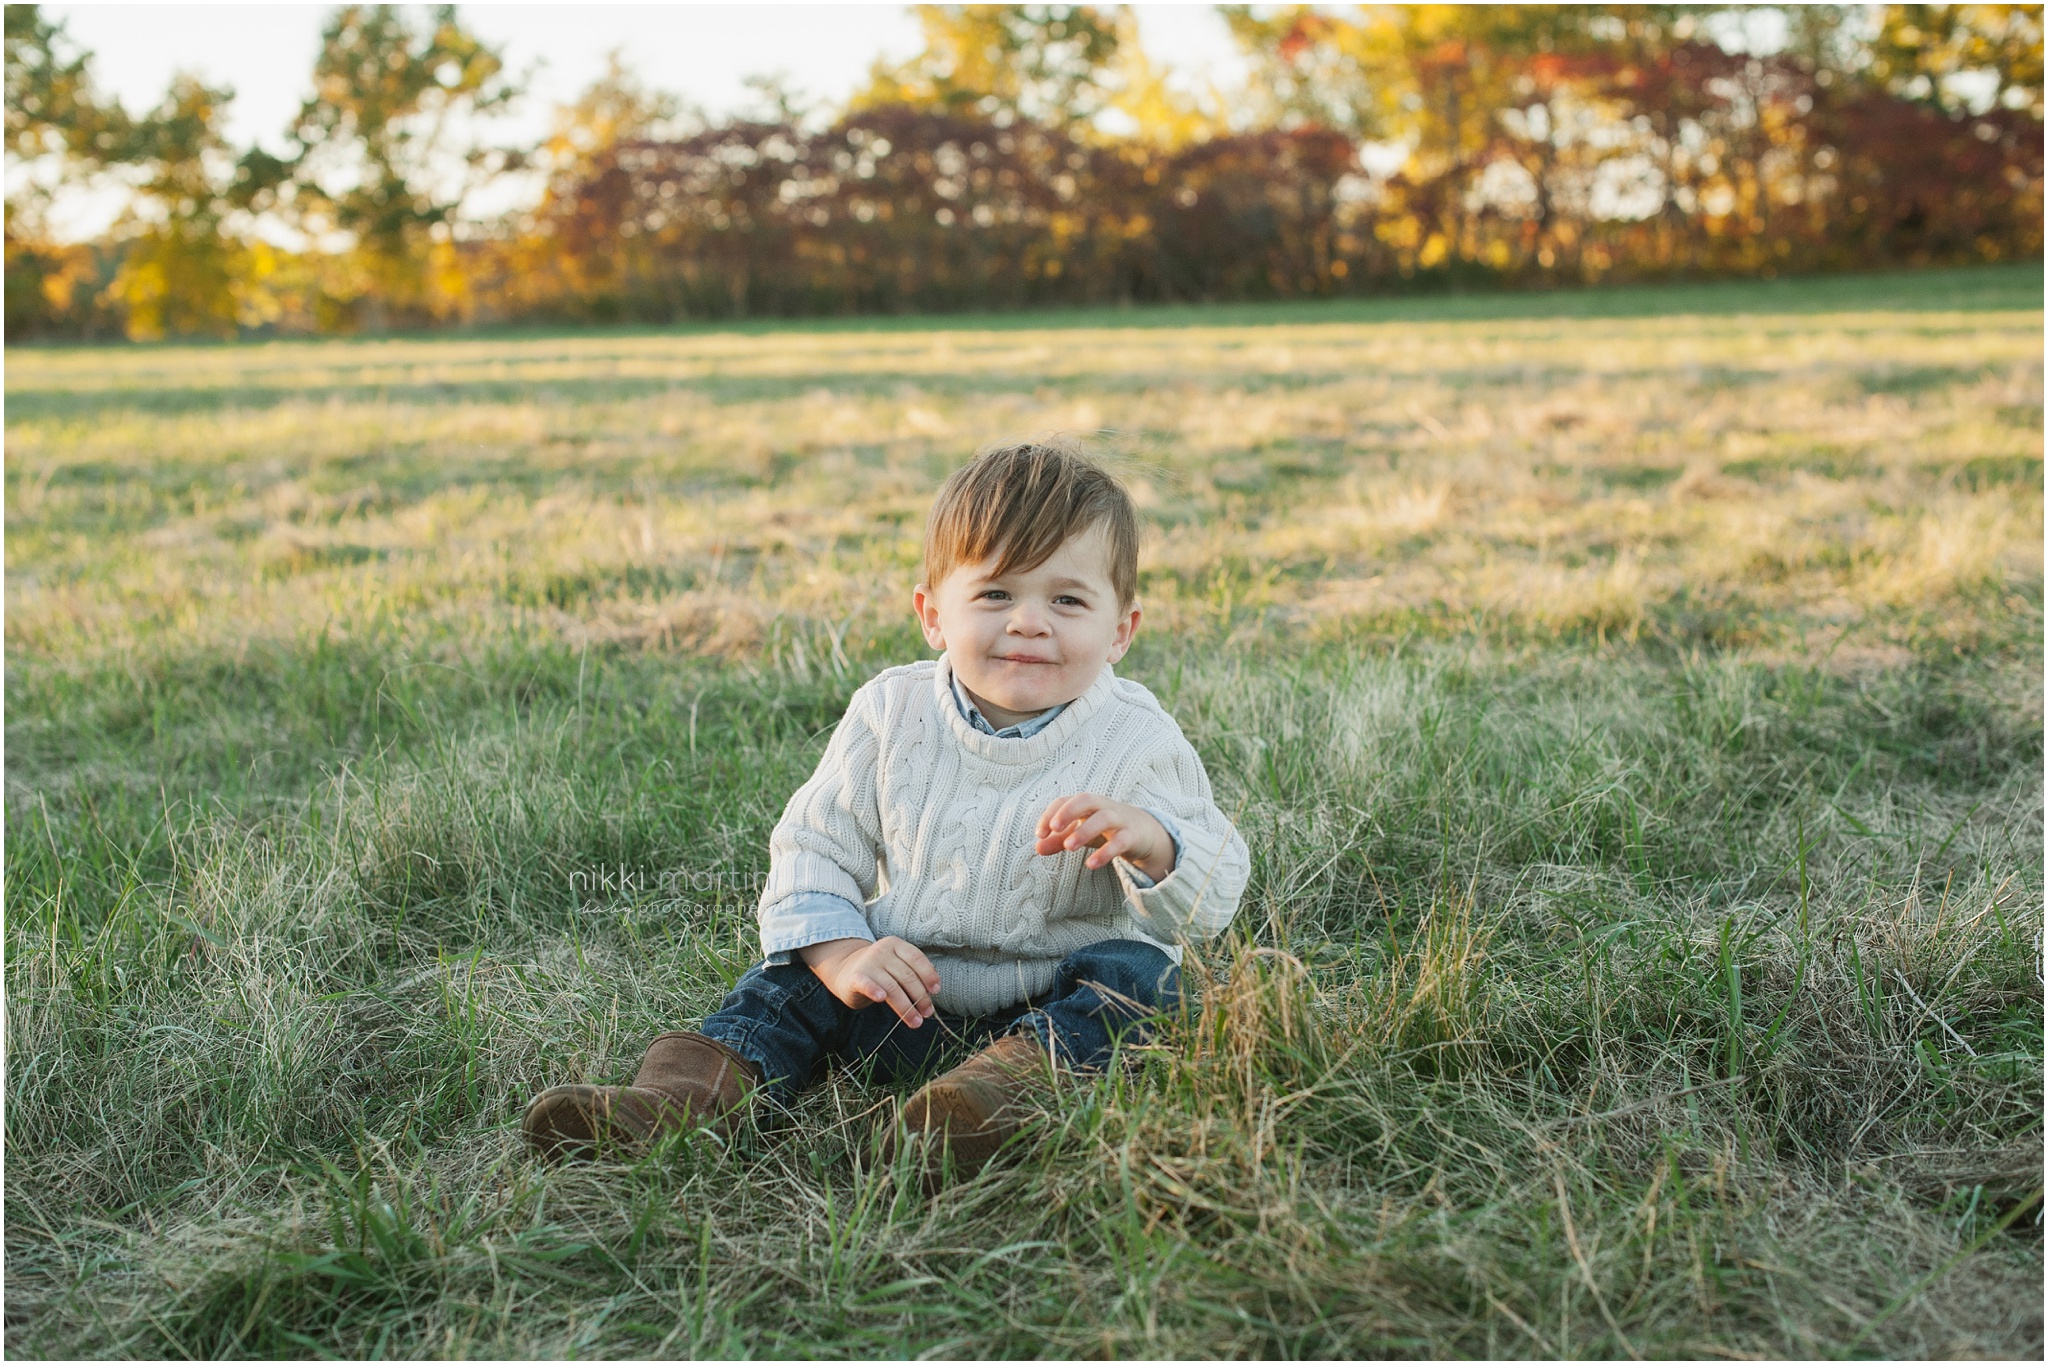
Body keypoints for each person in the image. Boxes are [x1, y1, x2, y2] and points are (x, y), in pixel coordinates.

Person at [522, 438, 1252, 1176]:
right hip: (903, 996)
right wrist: (843, 956)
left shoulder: (1136, 737)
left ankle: (991, 1106)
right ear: (933, 614)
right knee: (787, 985)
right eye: (996, 593)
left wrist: (1155, 843)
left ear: (1121, 629)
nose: (1029, 621)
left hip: (1054, 1005)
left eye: (1067, 599)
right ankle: (679, 1104)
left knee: (1139, 980)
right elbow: (814, 846)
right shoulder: (891, 711)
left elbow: (1214, 892)